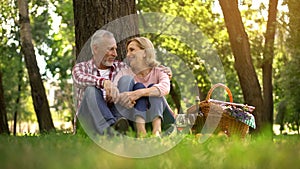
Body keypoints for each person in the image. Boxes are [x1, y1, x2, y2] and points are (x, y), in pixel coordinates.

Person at [72, 30, 172, 136]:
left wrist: (163, 71)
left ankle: (119, 128)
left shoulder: (122, 68)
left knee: (127, 80)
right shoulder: (81, 68)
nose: (115, 54)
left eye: (115, 49)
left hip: (114, 115)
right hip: (89, 118)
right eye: (111, 49)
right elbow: (79, 78)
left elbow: (142, 73)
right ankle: (109, 130)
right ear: (96, 49)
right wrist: (104, 82)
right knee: (91, 90)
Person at [115, 37, 175, 137]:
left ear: (145, 53)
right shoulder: (124, 73)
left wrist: (137, 94)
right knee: (138, 86)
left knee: (153, 88)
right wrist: (126, 97)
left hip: (163, 118)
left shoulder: (159, 71)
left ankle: (157, 131)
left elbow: (165, 88)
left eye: (132, 50)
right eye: (127, 51)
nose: (128, 55)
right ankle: (141, 132)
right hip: (134, 119)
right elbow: (115, 92)